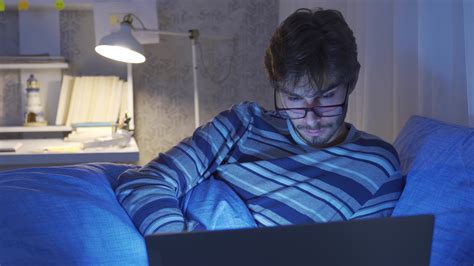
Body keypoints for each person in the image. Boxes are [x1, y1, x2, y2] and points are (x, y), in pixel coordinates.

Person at [115, 8, 404, 236]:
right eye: (293, 98)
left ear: (351, 82)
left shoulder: (377, 164)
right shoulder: (243, 124)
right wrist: (182, 248)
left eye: (326, 96)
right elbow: (145, 182)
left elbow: (362, 252)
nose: (311, 118)